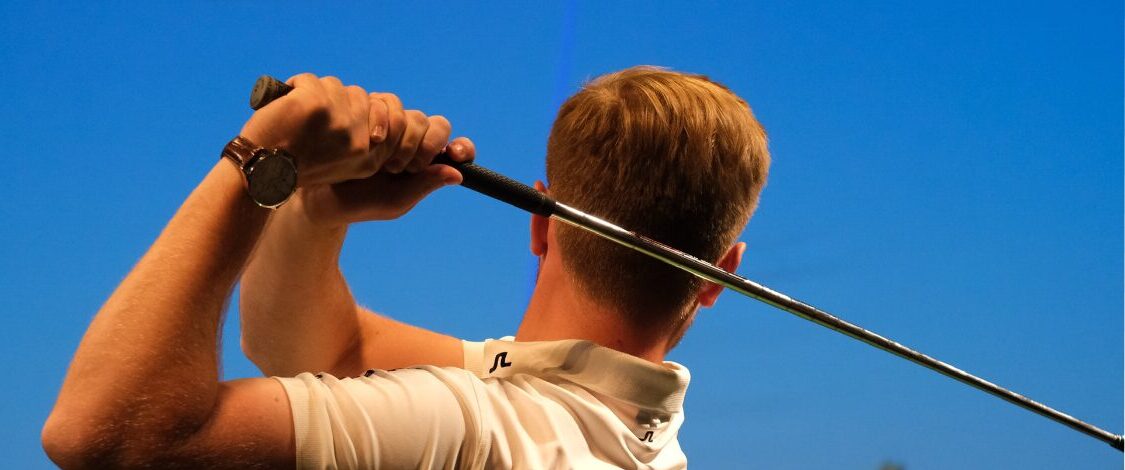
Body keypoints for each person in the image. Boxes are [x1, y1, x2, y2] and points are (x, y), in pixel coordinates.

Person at [43, 66, 769, 469]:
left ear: (539, 223)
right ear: (718, 275)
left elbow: (104, 435)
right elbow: (326, 352)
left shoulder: (471, 427)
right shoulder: (634, 437)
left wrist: (259, 160)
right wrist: (313, 214)